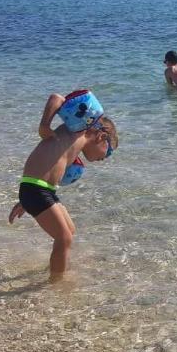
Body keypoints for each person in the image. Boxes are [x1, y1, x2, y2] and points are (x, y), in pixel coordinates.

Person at [8, 93, 119, 278]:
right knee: (64, 237)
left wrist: (25, 203)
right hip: (35, 188)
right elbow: (57, 98)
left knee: (70, 231)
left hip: (41, 189)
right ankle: (56, 282)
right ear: (102, 136)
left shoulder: (72, 145)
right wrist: (44, 125)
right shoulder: (78, 129)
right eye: (107, 153)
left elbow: (46, 164)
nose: (103, 159)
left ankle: (57, 265)